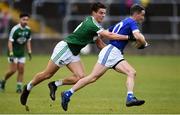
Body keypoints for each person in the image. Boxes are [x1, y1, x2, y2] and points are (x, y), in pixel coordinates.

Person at [20, 2, 132, 106]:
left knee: (80, 77)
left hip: (73, 53)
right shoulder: (92, 23)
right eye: (101, 13)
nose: (103, 15)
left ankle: (55, 84)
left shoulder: (95, 26)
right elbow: (109, 35)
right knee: (47, 74)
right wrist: (128, 37)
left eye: (104, 13)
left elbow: (100, 44)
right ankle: (28, 88)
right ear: (94, 13)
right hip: (65, 48)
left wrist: (113, 57)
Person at [61, 4, 149, 111]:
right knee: (93, 77)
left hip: (114, 53)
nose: (143, 18)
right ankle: (67, 93)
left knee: (130, 72)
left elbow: (104, 34)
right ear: (136, 14)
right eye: (142, 15)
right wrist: (144, 43)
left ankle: (130, 97)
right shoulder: (132, 22)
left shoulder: (124, 22)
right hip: (111, 51)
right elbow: (138, 36)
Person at [0, 13, 32, 93]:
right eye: (24, 19)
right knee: (13, 70)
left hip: (21, 53)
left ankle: (19, 87)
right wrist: (11, 53)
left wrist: (29, 51)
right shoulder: (15, 29)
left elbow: (28, 41)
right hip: (13, 53)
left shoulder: (28, 30)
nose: (25, 21)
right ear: (20, 20)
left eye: (27, 20)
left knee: (21, 70)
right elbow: (10, 42)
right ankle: (3, 81)